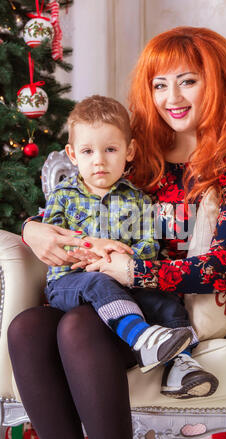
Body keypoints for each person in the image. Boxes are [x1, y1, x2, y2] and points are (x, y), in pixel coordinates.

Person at [7, 27, 226, 439]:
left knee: (79, 327)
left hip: (163, 312)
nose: (172, 97)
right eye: (160, 85)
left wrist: (134, 270)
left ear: (217, 82)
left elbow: (225, 267)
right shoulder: (137, 157)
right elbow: (77, 197)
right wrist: (31, 227)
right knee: (27, 328)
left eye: (188, 80)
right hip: (97, 292)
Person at [42, 93, 201, 375]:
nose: (99, 161)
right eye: (88, 151)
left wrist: (120, 255)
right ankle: (141, 338)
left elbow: (149, 246)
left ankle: (183, 364)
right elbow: (53, 241)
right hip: (70, 282)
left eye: (110, 150)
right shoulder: (63, 196)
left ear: (129, 151)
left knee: (166, 303)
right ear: (72, 155)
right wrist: (92, 251)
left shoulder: (138, 199)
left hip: (124, 281)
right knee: (95, 283)